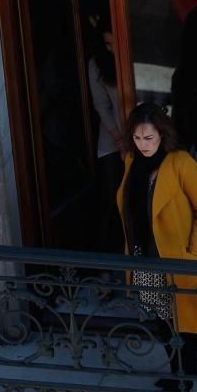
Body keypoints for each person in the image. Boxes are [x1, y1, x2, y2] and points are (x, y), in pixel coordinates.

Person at [117, 103, 197, 392]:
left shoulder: (180, 162)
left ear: (162, 134)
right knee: (161, 316)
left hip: (178, 256)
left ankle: (185, 373)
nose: (143, 144)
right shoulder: (131, 161)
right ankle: (179, 369)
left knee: (184, 317)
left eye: (149, 138)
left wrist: (195, 251)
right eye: (137, 138)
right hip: (144, 254)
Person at [87, 22, 124, 255]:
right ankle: (106, 266)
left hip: (146, 140)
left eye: (116, 42)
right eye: (108, 44)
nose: (113, 49)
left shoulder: (140, 53)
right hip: (112, 139)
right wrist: (120, 141)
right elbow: (101, 105)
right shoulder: (97, 64)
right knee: (110, 200)